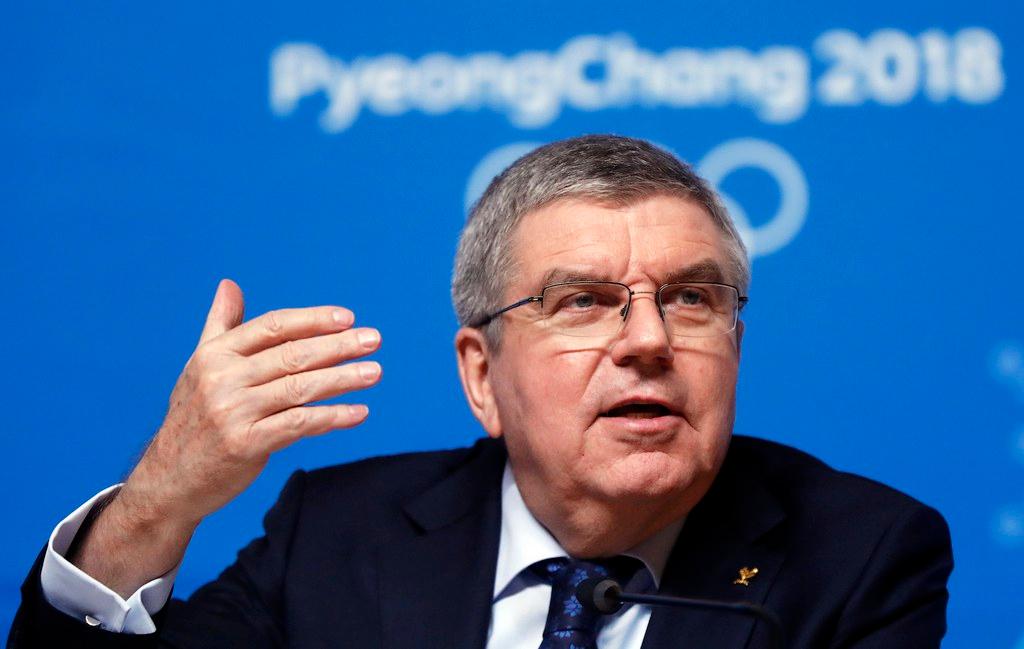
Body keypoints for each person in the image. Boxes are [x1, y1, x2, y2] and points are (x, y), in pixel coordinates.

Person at [8, 135, 953, 648]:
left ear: (735, 345)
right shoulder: (338, 534)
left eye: (691, 299)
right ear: (480, 375)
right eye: (582, 302)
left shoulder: (860, 556)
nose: (650, 340)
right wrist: (162, 498)